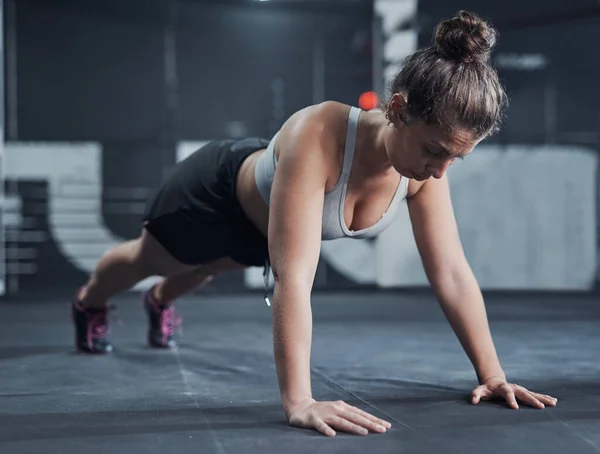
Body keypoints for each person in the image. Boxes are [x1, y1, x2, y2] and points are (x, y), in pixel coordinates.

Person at [71, 10, 558, 437]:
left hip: (260, 229)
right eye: (434, 151)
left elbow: (451, 274)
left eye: (457, 159)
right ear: (397, 110)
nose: (440, 170)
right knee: (152, 259)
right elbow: (294, 279)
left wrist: (491, 374)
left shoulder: (426, 170)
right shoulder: (319, 134)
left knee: (201, 272)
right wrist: (299, 401)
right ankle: (89, 302)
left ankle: (159, 302)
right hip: (215, 196)